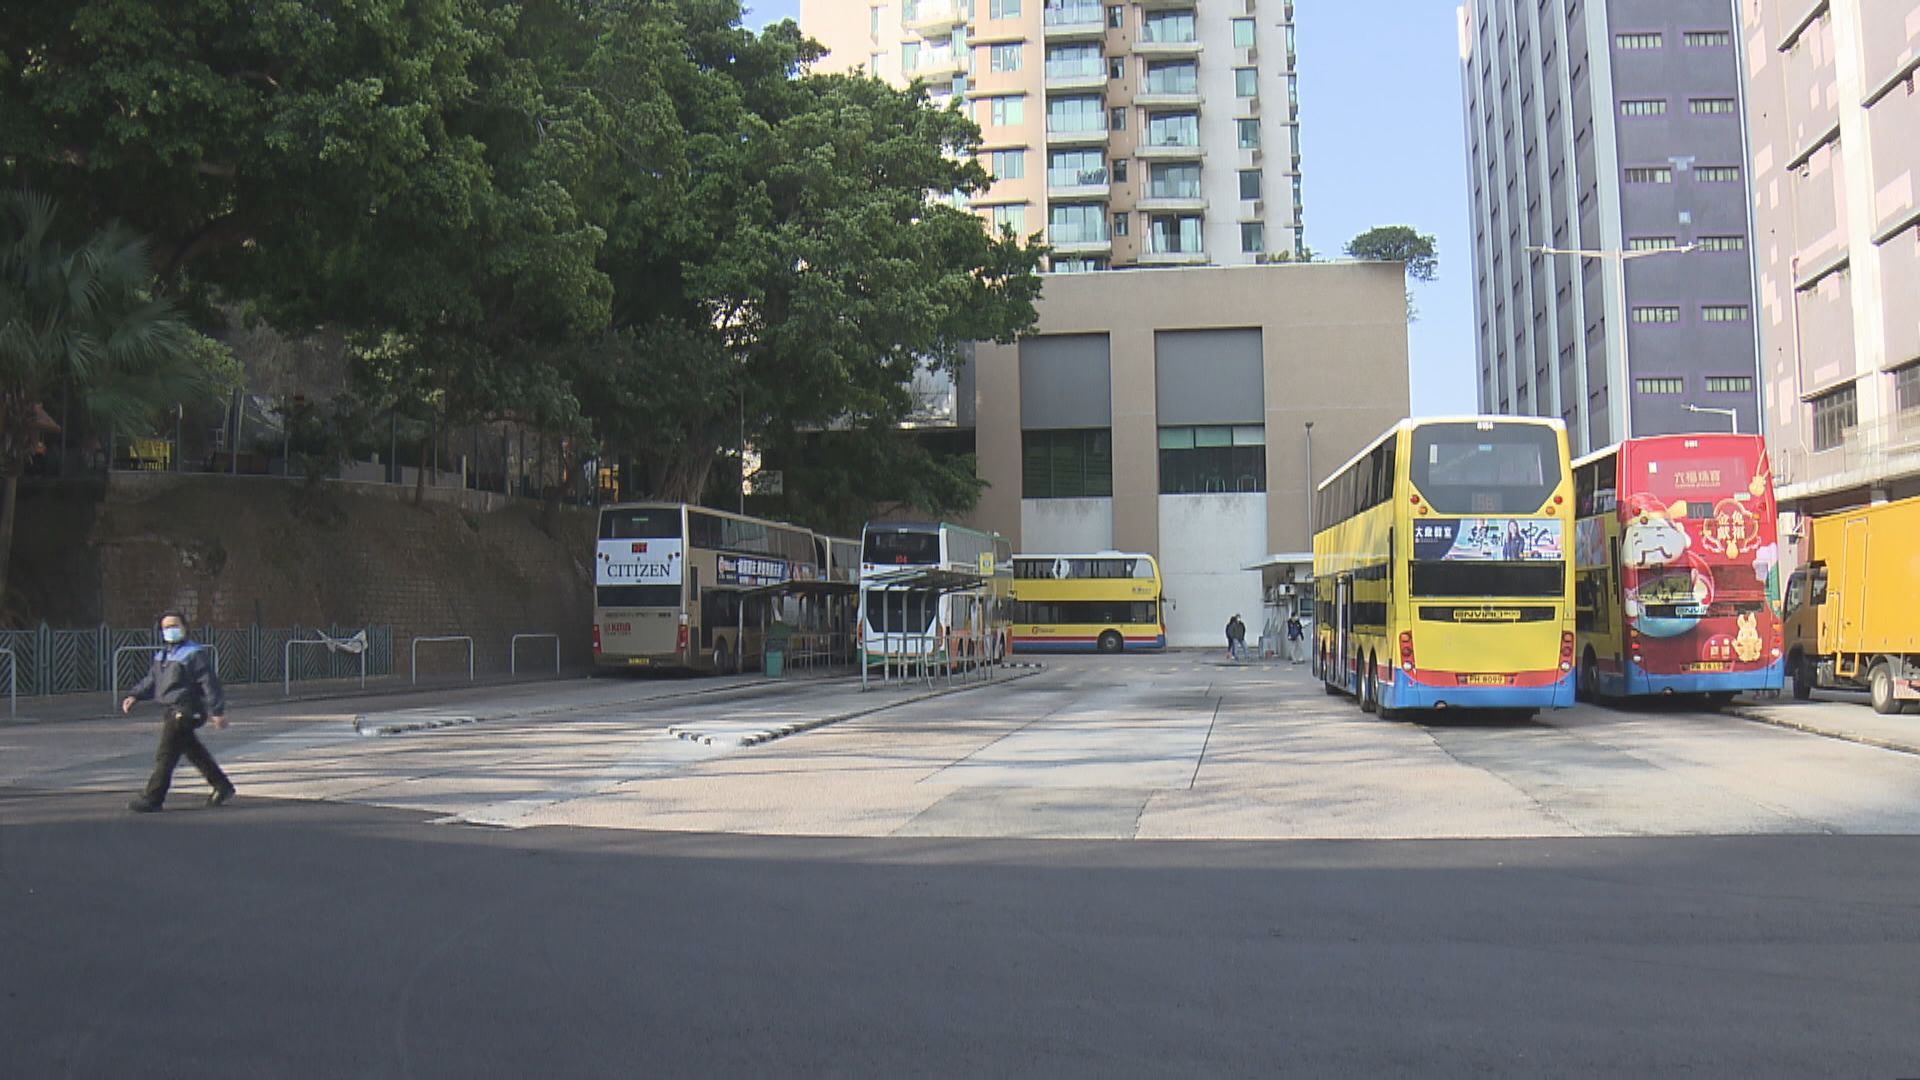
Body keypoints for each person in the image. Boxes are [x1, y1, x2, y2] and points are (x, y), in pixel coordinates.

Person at [122, 611, 235, 813]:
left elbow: (209, 683)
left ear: (185, 628)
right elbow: (152, 680)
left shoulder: (193, 653)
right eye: (166, 627)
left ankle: (153, 797)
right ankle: (222, 786)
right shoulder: (163, 655)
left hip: (186, 710)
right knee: (194, 751)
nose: (170, 631)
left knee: (166, 754)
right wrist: (135, 695)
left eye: (175, 626)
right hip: (171, 709)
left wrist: (217, 710)